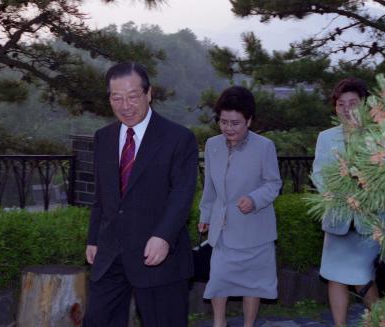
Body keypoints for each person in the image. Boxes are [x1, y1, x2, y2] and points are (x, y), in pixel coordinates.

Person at [83, 62, 198, 327]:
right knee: (97, 320)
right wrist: (93, 238)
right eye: (117, 98)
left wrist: (163, 236)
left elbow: (182, 194)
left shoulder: (178, 138)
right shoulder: (104, 137)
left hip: (157, 255)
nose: (126, 106)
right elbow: (102, 195)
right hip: (111, 253)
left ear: (148, 94)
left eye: (133, 96)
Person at [198, 86, 282, 327]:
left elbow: (273, 183)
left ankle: (248, 324)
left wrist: (254, 199)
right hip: (223, 227)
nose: (228, 128)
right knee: (219, 278)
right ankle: (218, 322)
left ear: (249, 120)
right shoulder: (213, 144)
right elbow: (210, 187)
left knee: (252, 283)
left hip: (255, 230)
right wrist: (205, 214)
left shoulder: (264, 146)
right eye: (223, 122)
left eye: (235, 123)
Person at [311, 77, 379, 326]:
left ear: (364, 104)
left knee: (363, 276)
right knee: (335, 276)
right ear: (335, 107)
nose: (347, 108)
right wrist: (339, 194)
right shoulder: (326, 137)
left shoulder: (378, 136)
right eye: (341, 104)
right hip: (338, 216)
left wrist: (363, 194)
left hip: (369, 219)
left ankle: (381, 321)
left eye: (353, 102)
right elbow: (319, 174)